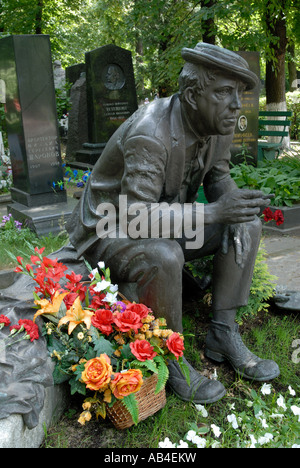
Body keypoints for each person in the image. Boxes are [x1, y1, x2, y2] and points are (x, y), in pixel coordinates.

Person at [67, 43, 280, 404]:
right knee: (164, 256)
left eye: (239, 94)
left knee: (246, 224)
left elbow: (218, 177)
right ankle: (172, 355)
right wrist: (215, 212)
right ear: (193, 94)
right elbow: (135, 216)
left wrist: (235, 205)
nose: (235, 105)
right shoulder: (151, 134)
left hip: (163, 218)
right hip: (109, 230)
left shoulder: (218, 125)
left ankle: (222, 331)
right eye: (225, 92)